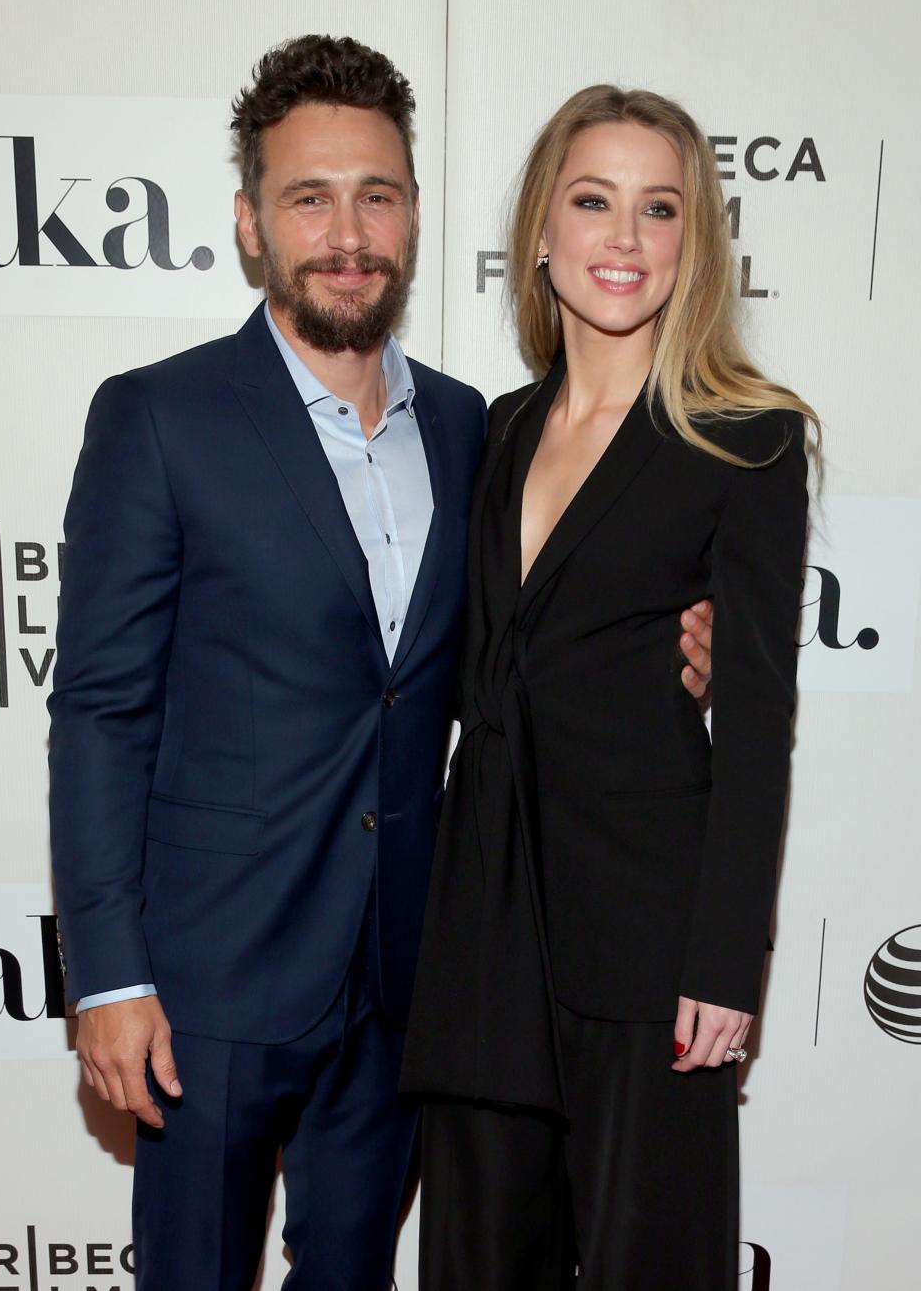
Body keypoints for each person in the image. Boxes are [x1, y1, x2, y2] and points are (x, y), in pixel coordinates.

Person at [48, 39, 714, 1291]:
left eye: (378, 194)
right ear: (251, 222)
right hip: (212, 989)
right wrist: (112, 976)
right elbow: (98, 707)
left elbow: (531, 641)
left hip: (414, 979)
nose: (348, 232)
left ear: (413, 210)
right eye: (310, 196)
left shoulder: (478, 426)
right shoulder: (159, 416)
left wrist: (690, 634)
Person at [400, 85, 817, 1291]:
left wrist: (727, 967)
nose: (623, 240)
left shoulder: (748, 439)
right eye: (593, 202)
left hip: (650, 946)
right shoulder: (493, 432)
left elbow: (757, 727)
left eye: (658, 209)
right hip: (483, 927)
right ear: (541, 229)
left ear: (695, 244)